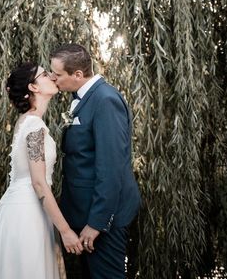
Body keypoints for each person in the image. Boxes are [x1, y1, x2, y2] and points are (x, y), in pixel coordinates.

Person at [0, 62, 84, 279]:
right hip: (28, 213)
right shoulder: (34, 126)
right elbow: (38, 182)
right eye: (45, 75)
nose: (52, 77)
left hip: (19, 209)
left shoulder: (27, 122)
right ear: (34, 88)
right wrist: (65, 231)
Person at [50, 44, 141, 279]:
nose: (53, 78)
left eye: (58, 74)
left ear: (77, 75)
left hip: (102, 219)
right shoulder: (82, 98)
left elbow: (111, 168)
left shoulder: (105, 100)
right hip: (83, 212)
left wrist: (97, 223)